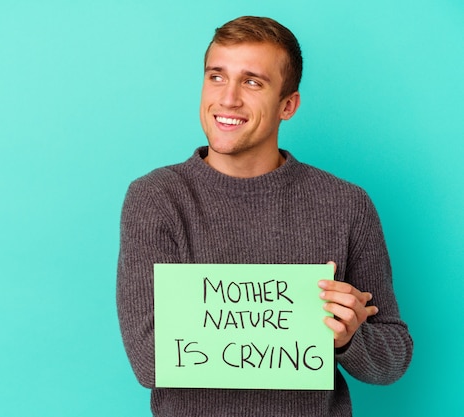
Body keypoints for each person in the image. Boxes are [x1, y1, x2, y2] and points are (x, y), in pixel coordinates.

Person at [116, 16, 413, 417]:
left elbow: (393, 359)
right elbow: (149, 360)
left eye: (253, 82)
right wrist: (300, 318)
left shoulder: (347, 204)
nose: (228, 99)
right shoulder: (156, 198)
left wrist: (348, 336)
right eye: (216, 77)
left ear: (287, 105)